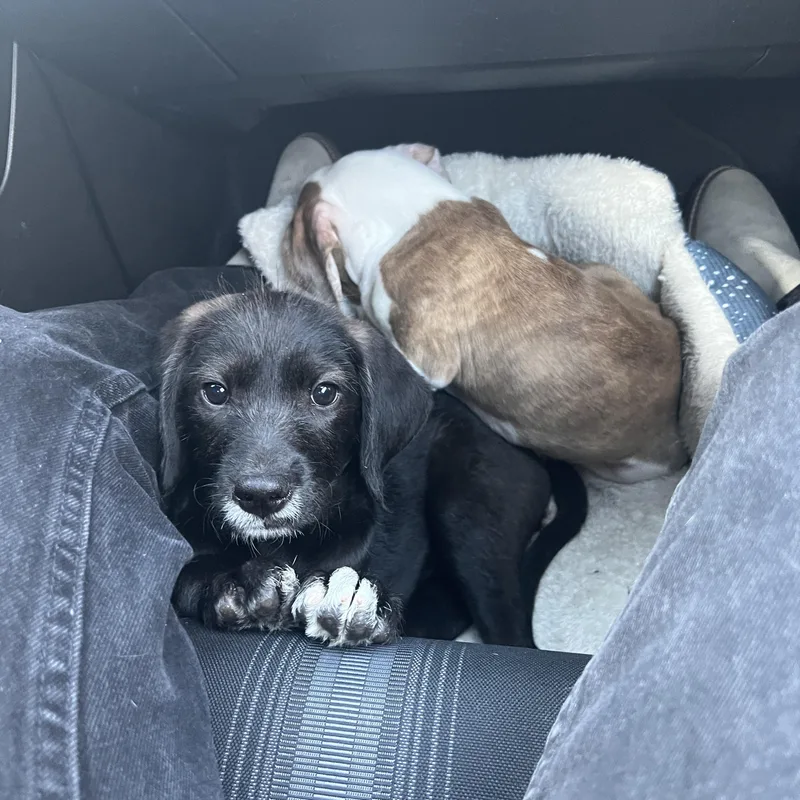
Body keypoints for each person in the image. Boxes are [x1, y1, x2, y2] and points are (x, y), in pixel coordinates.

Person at [1, 136, 798, 800]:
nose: (263, 473)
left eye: (323, 394)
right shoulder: (174, 468)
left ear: (367, 419)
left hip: (461, 475)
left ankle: (266, 273)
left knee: (28, 358)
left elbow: (391, 481)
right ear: (178, 401)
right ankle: (263, 285)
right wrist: (212, 578)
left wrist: (352, 591)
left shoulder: (395, 426)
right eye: (216, 392)